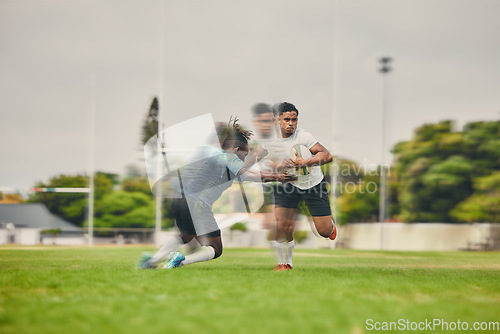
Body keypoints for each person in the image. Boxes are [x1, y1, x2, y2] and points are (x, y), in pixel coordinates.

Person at [139, 118, 295, 270]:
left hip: (180, 201)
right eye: (244, 154)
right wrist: (278, 177)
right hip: (197, 205)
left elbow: (247, 172)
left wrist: (264, 155)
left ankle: (152, 261)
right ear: (236, 150)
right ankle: (180, 262)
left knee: (185, 236)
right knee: (216, 248)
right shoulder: (228, 157)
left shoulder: (222, 160)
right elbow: (246, 174)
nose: (245, 158)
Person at [261, 102, 337, 271]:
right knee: (282, 225)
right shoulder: (268, 141)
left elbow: (327, 155)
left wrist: (305, 162)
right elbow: (258, 161)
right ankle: (286, 263)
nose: (291, 123)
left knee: (324, 232)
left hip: (313, 185)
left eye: (294, 120)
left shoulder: (304, 137)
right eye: (287, 119)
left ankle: (330, 225)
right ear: (276, 120)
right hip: (287, 184)